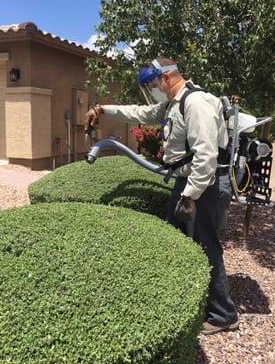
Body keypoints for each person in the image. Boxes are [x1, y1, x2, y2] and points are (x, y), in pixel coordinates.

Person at [85, 57, 239, 335]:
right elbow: (140, 113)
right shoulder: (173, 103)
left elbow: (206, 156)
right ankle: (187, 298)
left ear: (166, 78)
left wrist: (190, 195)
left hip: (205, 185)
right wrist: (102, 108)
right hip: (189, 183)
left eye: (154, 84)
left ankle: (223, 314)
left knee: (205, 245)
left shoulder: (195, 103)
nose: (153, 89)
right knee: (178, 238)